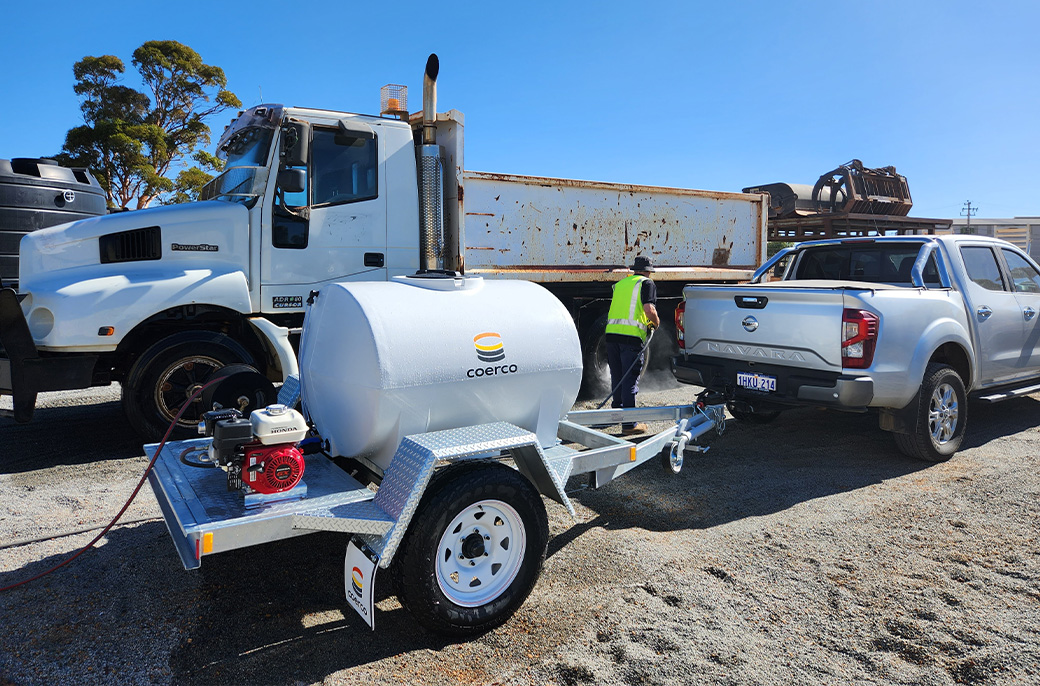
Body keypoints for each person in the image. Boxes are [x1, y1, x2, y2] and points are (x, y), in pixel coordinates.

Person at [605, 255, 660, 434]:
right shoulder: (646, 283)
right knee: (630, 379)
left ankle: (617, 414)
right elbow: (648, 309)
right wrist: (656, 323)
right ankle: (629, 424)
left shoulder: (621, 284)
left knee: (618, 375)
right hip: (631, 338)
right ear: (648, 272)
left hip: (612, 335)